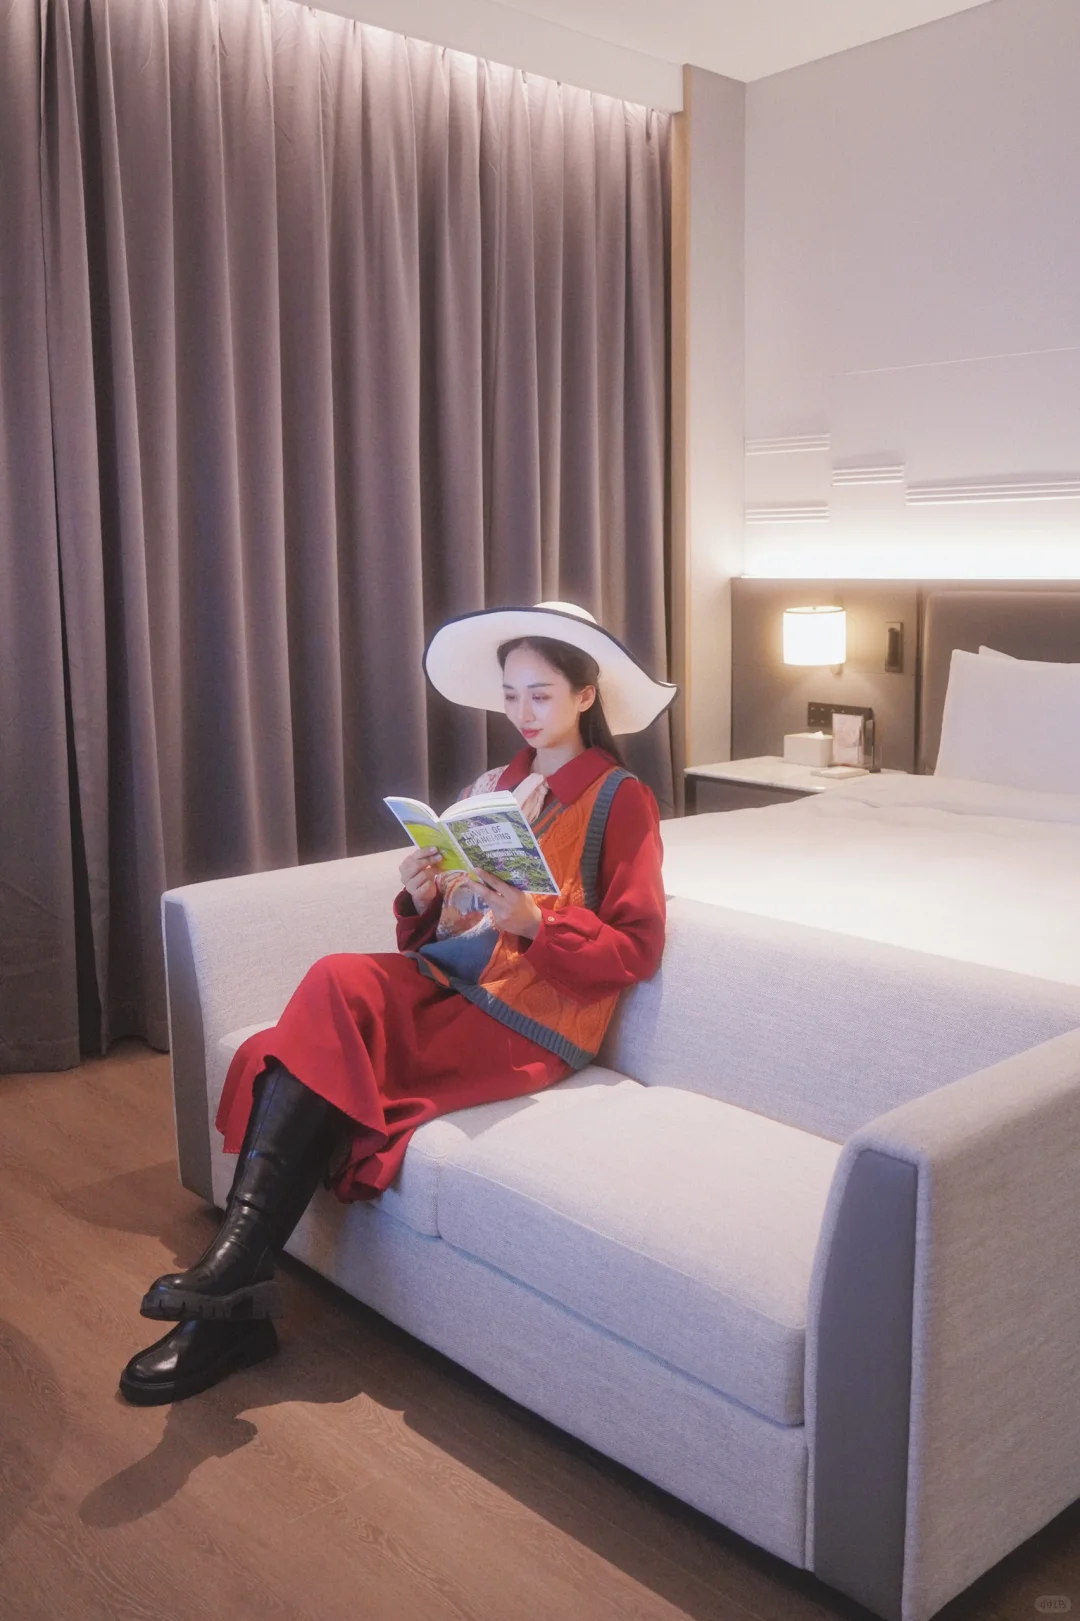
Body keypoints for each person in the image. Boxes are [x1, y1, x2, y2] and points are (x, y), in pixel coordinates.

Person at [119, 601, 677, 1404]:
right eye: (510, 694)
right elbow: (449, 926)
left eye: (541, 694)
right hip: (457, 981)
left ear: (586, 696)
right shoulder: (494, 789)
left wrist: (538, 923)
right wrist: (422, 896)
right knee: (334, 980)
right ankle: (233, 1285)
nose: (522, 713)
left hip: (531, 1019)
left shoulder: (622, 799)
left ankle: (226, 1296)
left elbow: (637, 947)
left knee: (306, 1054)